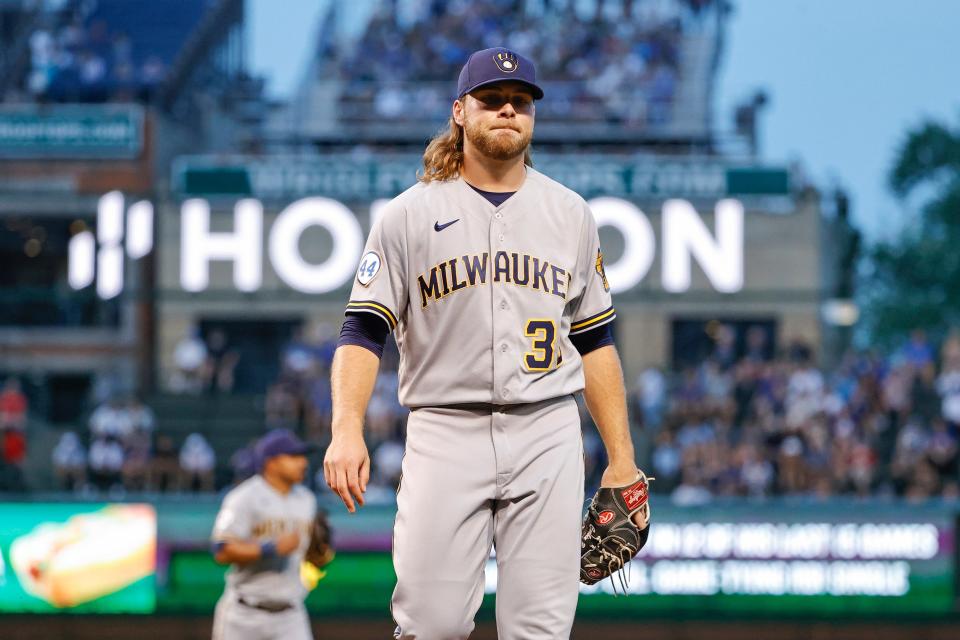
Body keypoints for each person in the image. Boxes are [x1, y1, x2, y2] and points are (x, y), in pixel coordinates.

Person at [324, 47, 648, 639]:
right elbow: (362, 330)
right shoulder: (407, 216)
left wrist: (622, 459)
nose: (507, 110)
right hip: (445, 430)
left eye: (520, 102)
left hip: (546, 430)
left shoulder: (570, 213)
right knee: (431, 623)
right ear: (459, 112)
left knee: (540, 629)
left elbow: (597, 342)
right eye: (491, 100)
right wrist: (346, 427)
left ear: (533, 117)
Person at [211, 429, 317, 640]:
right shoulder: (243, 497)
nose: (303, 462)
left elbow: (309, 556)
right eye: (294, 456)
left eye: (302, 456)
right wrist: (270, 548)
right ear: (271, 463)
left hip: (291, 614)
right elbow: (221, 550)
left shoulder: (307, 500)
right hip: (244, 613)